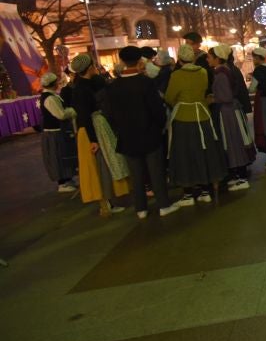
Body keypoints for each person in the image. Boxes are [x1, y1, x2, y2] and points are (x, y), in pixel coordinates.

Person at [105, 46, 179, 219]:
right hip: (149, 133)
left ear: (122, 62)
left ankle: (141, 209)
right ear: (140, 61)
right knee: (156, 171)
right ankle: (163, 205)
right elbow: (157, 109)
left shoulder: (113, 86)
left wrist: (119, 129)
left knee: (136, 174)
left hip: (127, 135)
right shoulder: (145, 82)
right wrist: (160, 125)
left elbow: (109, 113)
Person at [165, 44, 227, 205]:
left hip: (183, 117)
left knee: (184, 155)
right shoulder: (203, 72)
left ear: (179, 59)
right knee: (204, 153)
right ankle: (206, 190)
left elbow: (170, 96)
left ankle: (188, 194)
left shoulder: (177, 75)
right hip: (203, 116)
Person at [70, 54, 130, 216]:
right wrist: (93, 139)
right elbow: (84, 115)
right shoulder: (83, 88)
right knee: (100, 166)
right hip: (93, 131)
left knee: (103, 165)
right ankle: (105, 203)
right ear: (89, 67)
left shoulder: (83, 85)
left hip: (94, 129)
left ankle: (108, 201)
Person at [208, 45, 255, 191]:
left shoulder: (221, 74)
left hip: (228, 113)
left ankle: (241, 178)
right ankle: (239, 176)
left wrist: (213, 98)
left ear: (217, 58)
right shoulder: (226, 71)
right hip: (232, 111)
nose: (207, 59)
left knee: (234, 142)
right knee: (237, 141)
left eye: (209, 57)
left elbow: (226, 96)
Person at [38, 72, 78, 193]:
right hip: (53, 133)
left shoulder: (51, 95)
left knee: (63, 155)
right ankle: (62, 183)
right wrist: (72, 111)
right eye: (56, 82)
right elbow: (60, 114)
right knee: (57, 157)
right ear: (52, 84)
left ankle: (67, 178)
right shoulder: (49, 98)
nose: (58, 84)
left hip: (57, 131)